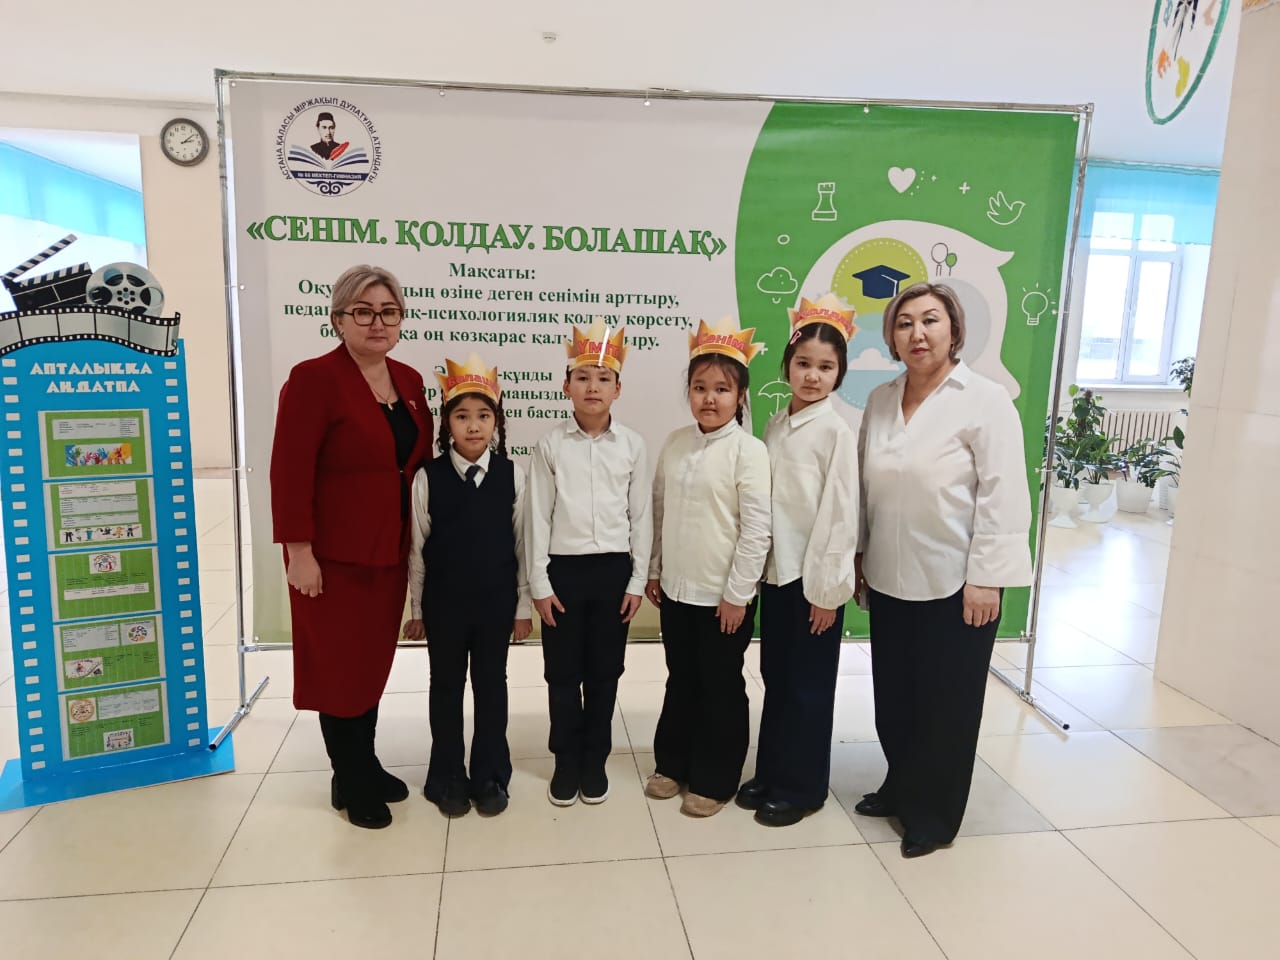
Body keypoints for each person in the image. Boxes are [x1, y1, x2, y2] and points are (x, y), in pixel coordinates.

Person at [854, 282, 1032, 858]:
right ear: (891, 337)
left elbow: (1005, 495)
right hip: (889, 575)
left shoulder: (985, 399)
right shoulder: (881, 399)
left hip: (957, 583)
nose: (918, 333)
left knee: (946, 706)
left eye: (930, 320)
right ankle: (900, 784)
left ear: (955, 329)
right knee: (895, 697)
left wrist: (987, 578)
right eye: (904, 323)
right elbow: (865, 487)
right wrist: (859, 555)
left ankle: (933, 814)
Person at [270, 264, 433, 830]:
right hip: (331, 557)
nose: (377, 322)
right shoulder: (314, 379)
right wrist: (299, 552)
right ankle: (352, 777)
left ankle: (360, 765)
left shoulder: (409, 381)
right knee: (337, 669)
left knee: (369, 664)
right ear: (338, 319)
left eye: (389, 312)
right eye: (363, 312)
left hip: (389, 550)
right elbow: (289, 471)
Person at [737, 294, 860, 827]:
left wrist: (828, 593)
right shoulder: (775, 425)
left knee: (809, 688)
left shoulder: (835, 432)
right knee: (778, 677)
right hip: (777, 574)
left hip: (813, 583)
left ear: (839, 374)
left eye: (825, 367)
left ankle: (803, 787)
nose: (813, 376)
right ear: (788, 366)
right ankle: (772, 772)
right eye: (804, 364)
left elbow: (840, 515)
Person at [644, 318, 771, 818]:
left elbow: (757, 530)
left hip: (724, 598)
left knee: (721, 686)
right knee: (681, 678)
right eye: (700, 388)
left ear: (740, 396)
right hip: (676, 591)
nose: (710, 398)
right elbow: (659, 510)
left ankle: (715, 778)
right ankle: (672, 764)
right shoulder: (675, 442)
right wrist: (655, 569)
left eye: (722, 389)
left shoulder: (749, 451)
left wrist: (738, 594)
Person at [527, 319, 651, 807]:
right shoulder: (550, 445)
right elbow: (537, 517)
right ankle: (565, 758)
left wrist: (637, 580)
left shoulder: (633, 445)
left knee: (605, 671)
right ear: (566, 386)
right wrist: (539, 583)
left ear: (618, 388)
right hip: (563, 572)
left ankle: (595, 757)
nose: (592, 386)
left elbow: (641, 517)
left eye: (603, 378)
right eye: (582, 377)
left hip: (613, 573)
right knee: (561, 672)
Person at [403, 354, 532, 818]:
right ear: (447, 424)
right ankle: (447, 776)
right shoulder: (428, 478)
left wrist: (522, 607)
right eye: (462, 416)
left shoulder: (513, 474)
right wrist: (417, 610)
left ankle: (490, 773)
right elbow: (417, 549)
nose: (473, 426)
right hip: (444, 606)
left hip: (496, 604)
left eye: (483, 415)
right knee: (445, 687)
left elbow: (523, 544)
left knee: (492, 687)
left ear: (497, 422)